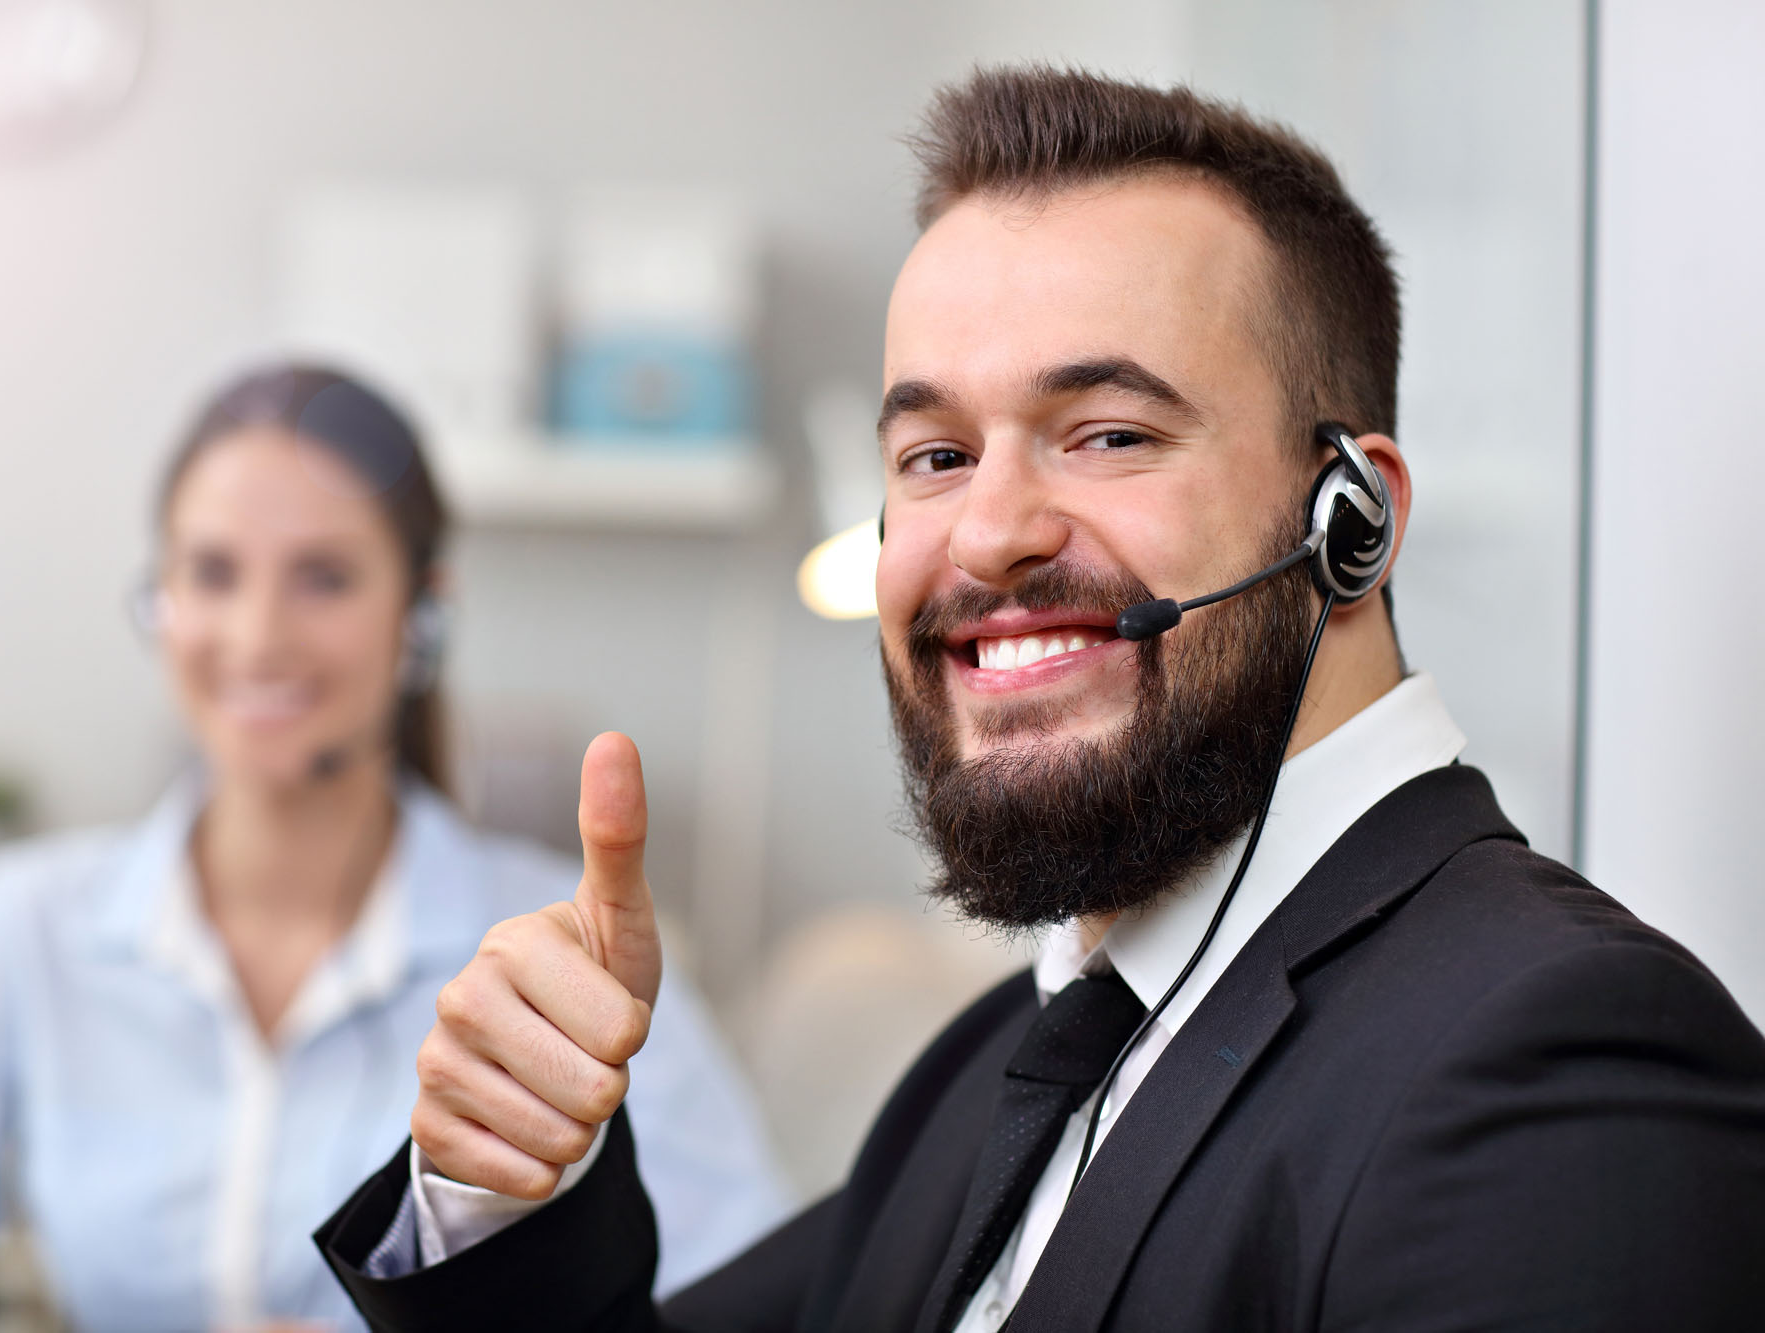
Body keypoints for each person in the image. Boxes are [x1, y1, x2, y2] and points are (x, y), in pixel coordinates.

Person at [312, 68, 1765, 1332]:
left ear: (1352, 518)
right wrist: (497, 1185)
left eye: (1107, 433)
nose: (988, 534)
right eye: (935, 457)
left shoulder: (1562, 1062)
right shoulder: (1009, 1060)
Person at [0, 365, 789, 1332]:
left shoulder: (559, 954)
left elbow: (761, 1301)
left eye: (323, 577)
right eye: (213, 572)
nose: (258, 634)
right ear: (160, 601)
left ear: (422, 615)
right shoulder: (27, 922)